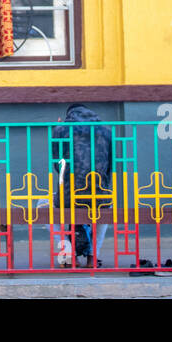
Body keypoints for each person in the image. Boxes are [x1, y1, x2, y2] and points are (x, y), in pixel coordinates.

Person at [50, 104, 112, 268]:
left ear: (68, 115)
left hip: (70, 195)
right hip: (99, 193)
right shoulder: (106, 130)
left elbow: (58, 165)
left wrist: (58, 129)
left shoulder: (60, 130)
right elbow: (110, 166)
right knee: (105, 209)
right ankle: (93, 256)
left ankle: (69, 256)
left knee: (45, 207)